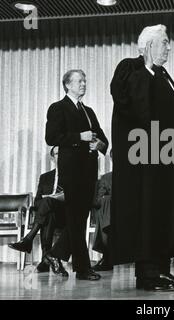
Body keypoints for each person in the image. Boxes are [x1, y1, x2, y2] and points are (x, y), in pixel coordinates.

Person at [110, 24, 174, 292]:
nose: (169, 47)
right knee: (147, 212)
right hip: (142, 157)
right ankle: (147, 274)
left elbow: (167, 110)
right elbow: (131, 103)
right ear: (150, 45)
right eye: (164, 42)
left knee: (164, 210)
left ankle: (163, 270)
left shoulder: (162, 74)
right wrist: (148, 66)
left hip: (164, 156)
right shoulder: (131, 68)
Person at [45, 69, 109, 280]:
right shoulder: (58, 108)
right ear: (68, 85)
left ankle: (55, 254)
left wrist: (98, 144)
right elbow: (51, 136)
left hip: (89, 172)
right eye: (79, 81)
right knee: (75, 217)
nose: (83, 84)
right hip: (71, 172)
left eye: (84, 80)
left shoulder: (89, 111)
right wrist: (79, 137)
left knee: (80, 218)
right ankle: (82, 268)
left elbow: (103, 140)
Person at [8, 146, 67, 273]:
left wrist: (55, 199)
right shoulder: (45, 177)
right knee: (47, 211)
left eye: (62, 153)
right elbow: (37, 202)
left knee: (48, 205)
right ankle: (48, 260)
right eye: (57, 154)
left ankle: (29, 239)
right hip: (48, 214)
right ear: (53, 158)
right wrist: (49, 200)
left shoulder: (71, 175)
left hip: (65, 215)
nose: (59, 156)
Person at [91, 149, 113, 272]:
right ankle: (107, 254)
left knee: (107, 204)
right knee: (106, 203)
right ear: (111, 159)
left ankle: (107, 256)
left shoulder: (133, 176)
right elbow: (98, 200)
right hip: (111, 214)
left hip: (130, 212)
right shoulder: (106, 178)